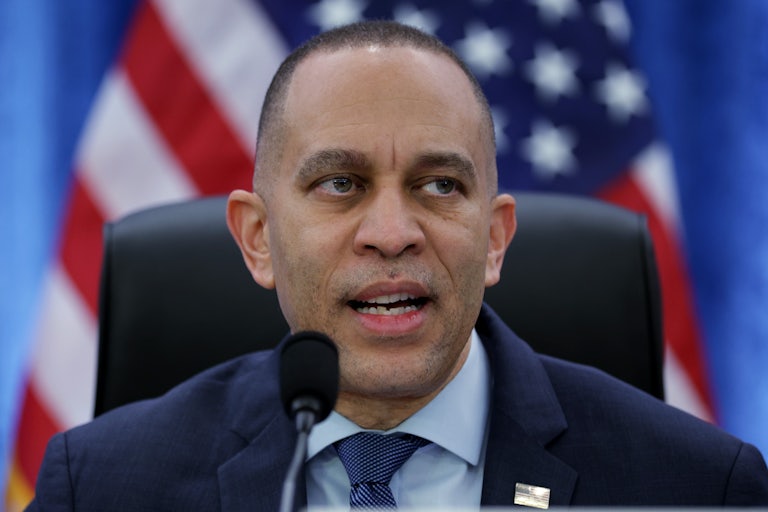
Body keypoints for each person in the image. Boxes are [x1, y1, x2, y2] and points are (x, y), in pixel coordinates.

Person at [27, 20, 768, 511]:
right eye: (340, 185)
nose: (391, 234)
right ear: (257, 238)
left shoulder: (699, 486)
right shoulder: (98, 487)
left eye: (439, 185)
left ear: (495, 239)